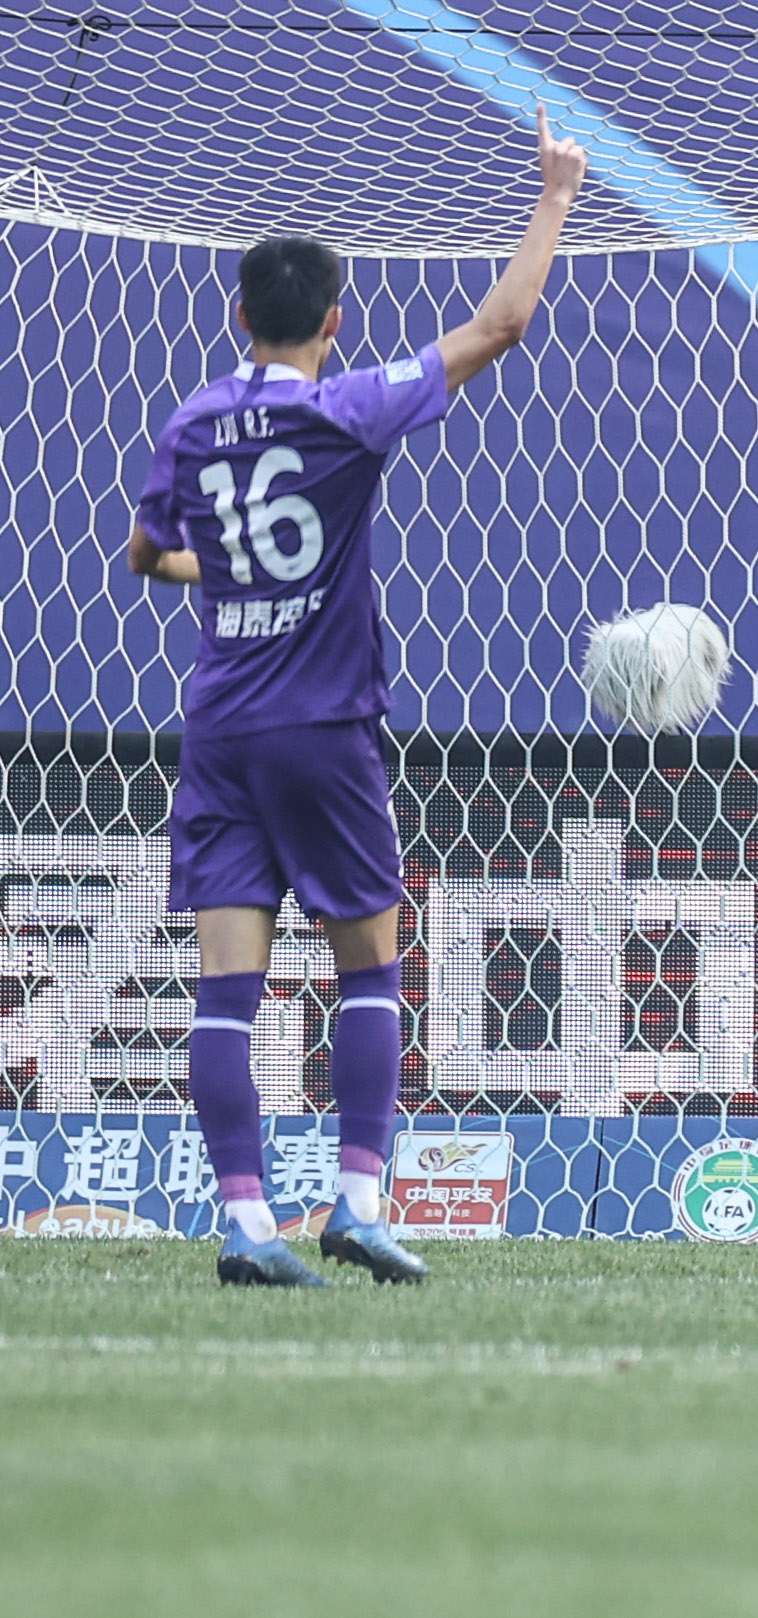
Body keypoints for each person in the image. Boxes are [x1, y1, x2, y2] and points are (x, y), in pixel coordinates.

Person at [123, 107, 589, 1288]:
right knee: (368, 969)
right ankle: (360, 1205)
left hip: (220, 728)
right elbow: (502, 324)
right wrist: (554, 195)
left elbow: (147, 554)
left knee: (227, 991)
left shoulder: (190, 421)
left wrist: (229, 571)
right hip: (324, 729)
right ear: (334, 320)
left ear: (239, 316)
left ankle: (245, 1223)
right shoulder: (348, 408)